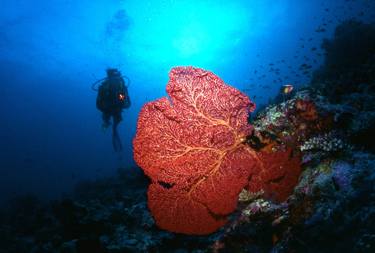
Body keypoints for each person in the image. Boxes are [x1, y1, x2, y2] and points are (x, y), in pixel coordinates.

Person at [96, 68, 131, 151]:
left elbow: (99, 104)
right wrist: (122, 99)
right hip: (113, 109)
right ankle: (111, 128)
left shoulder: (107, 85)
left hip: (109, 109)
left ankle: (107, 125)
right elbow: (127, 103)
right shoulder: (120, 85)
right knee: (115, 124)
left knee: (111, 123)